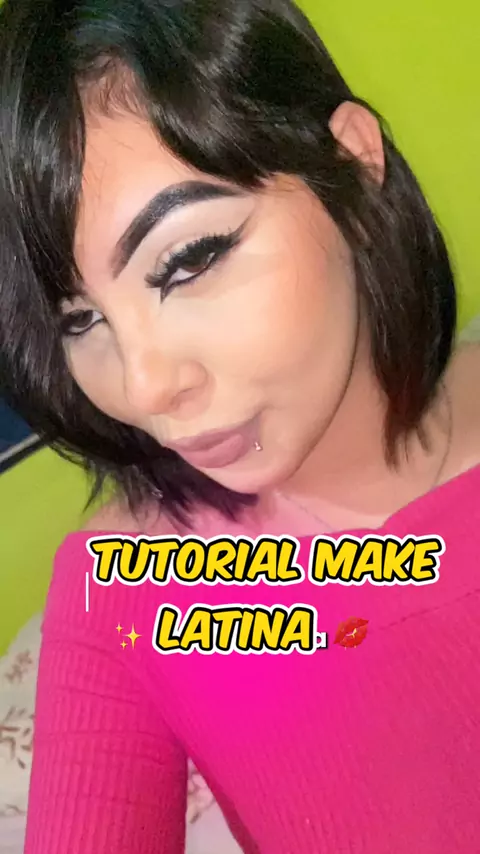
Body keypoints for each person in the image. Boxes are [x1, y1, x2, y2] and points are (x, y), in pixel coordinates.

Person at [0, 0, 479, 851]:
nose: (145, 388)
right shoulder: (126, 592)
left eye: (188, 261)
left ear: (352, 161)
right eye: (81, 321)